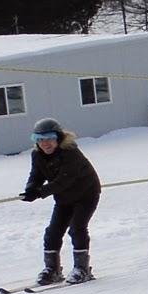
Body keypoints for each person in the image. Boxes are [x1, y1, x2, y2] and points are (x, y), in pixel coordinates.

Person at [21, 119, 102, 284]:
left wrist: (40, 192)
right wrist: (31, 189)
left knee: (77, 228)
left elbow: (65, 180)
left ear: (58, 137)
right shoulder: (37, 155)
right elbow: (36, 175)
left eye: (49, 138)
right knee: (53, 232)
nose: (45, 143)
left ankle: (82, 268)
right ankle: (52, 269)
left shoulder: (71, 153)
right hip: (64, 198)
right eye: (39, 139)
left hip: (86, 194)